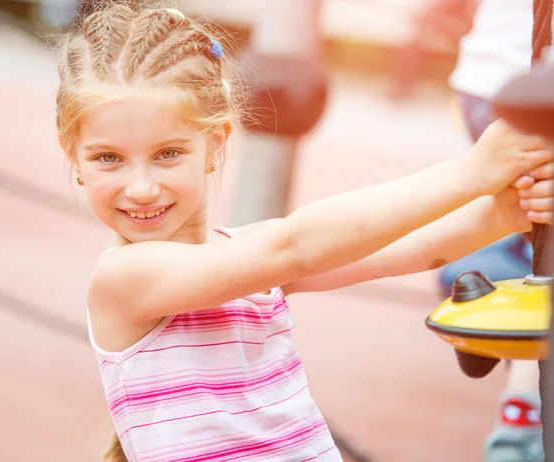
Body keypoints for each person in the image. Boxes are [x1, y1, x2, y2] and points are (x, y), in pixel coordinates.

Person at [54, 4, 554, 461]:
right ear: (74, 159)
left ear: (216, 140)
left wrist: (507, 211)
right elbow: (295, 247)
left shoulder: (246, 254)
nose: (140, 187)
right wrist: (472, 173)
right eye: (108, 159)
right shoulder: (124, 278)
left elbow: (418, 250)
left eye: (168, 153)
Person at [443, 2, 545, 461]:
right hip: (525, 88)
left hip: (487, 79)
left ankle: (519, 427)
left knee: (533, 243)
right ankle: (519, 435)